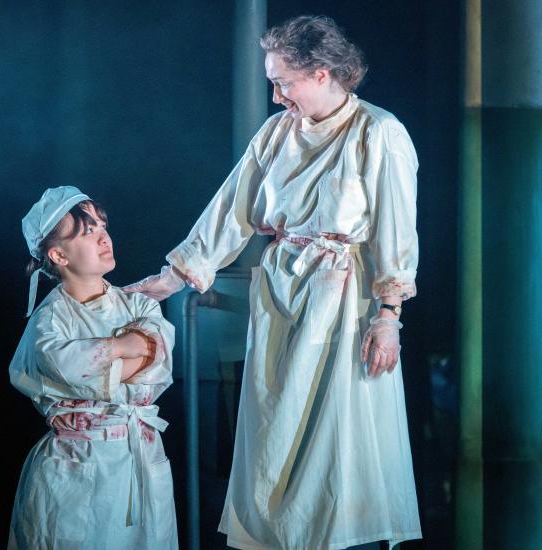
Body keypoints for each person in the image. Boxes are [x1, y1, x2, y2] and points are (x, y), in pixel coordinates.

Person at [124, 15, 422, 550]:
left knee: (335, 436)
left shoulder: (378, 133)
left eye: (284, 81)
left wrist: (388, 315)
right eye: (272, 82)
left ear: (325, 73)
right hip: (280, 296)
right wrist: (174, 278)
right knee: (273, 433)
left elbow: (395, 230)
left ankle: (337, 538)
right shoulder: (277, 133)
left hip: (341, 299)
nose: (277, 95)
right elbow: (230, 210)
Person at [8, 186, 178, 549]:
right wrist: (123, 346)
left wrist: (104, 360)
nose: (104, 237)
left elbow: (159, 359)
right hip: (78, 466)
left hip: (140, 460)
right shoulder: (49, 322)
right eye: (89, 232)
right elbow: (67, 367)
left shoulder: (140, 306)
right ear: (58, 254)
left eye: (103, 226)